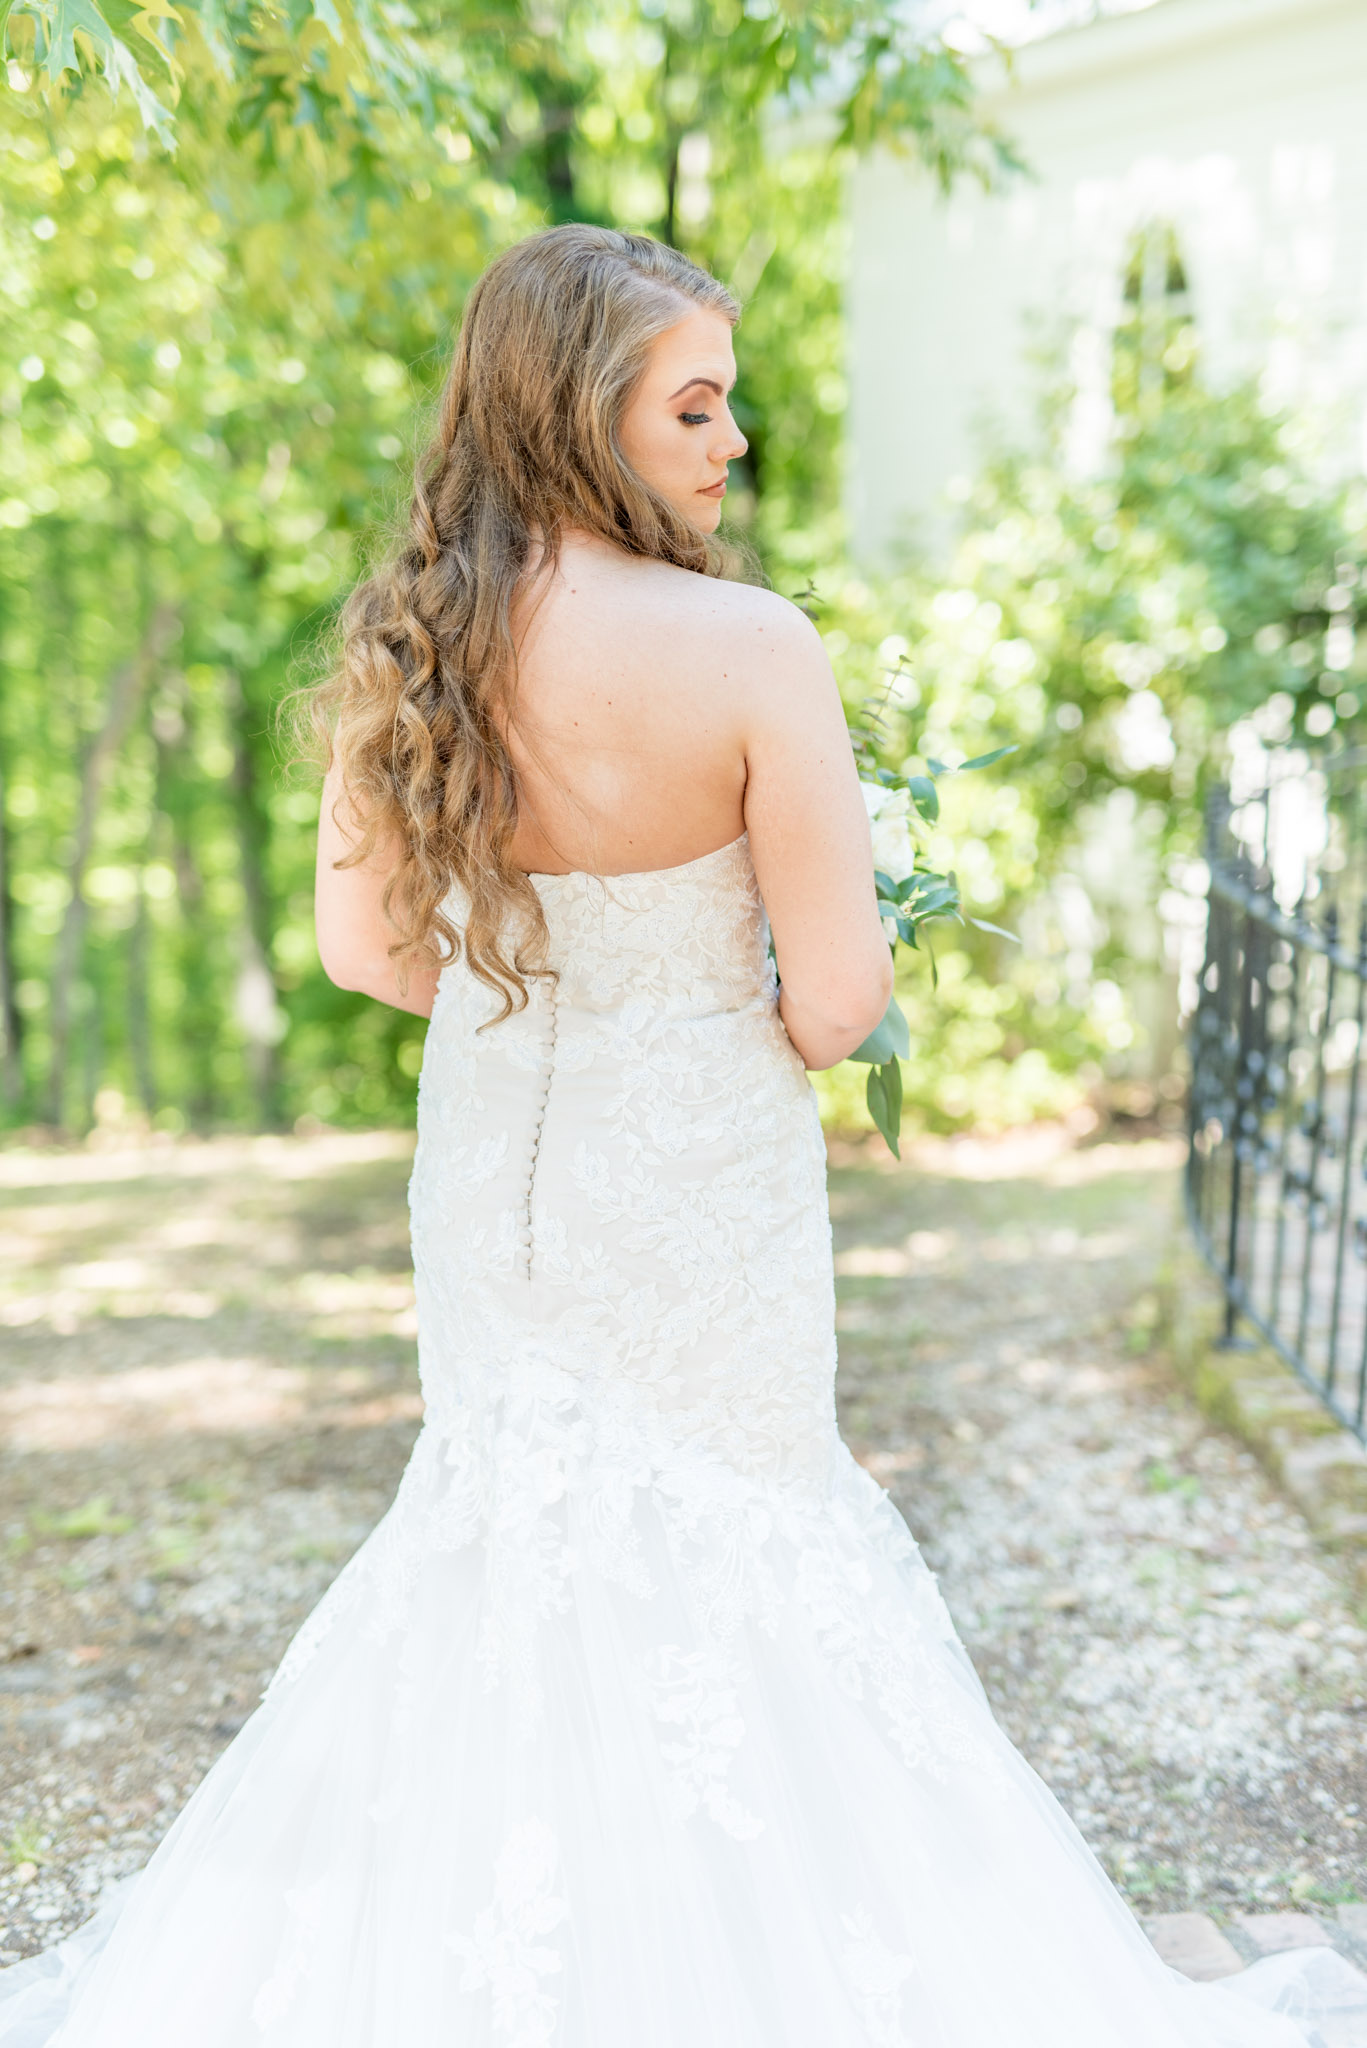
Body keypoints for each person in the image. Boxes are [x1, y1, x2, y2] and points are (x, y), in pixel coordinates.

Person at [2, 222, 1364, 2048]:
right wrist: (800, 926)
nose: (735, 444)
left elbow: (363, 950)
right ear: (584, 417)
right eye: (697, 407)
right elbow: (836, 1008)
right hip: (703, 1173)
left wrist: (550, 995)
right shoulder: (749, 649)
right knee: (744, 1533)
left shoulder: (417, 639)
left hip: (500, 1157)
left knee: (504, 1529)